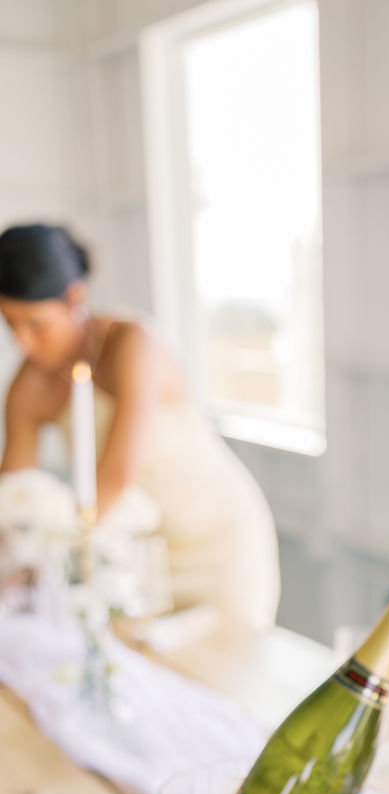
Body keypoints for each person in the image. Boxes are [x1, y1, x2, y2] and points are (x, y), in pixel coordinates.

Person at [0, 223, 281, 629]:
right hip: (133, 561)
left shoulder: (133, 343)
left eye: (36, 324)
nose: (23, 342)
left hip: (215, 543)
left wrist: (58, 550)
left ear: (75, 296)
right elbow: (13, 497)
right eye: (10, 324)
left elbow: (116, 476)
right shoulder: (29, 384)